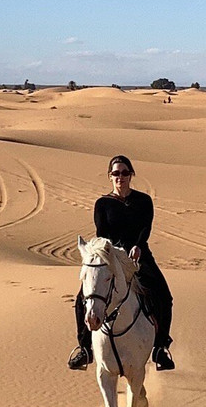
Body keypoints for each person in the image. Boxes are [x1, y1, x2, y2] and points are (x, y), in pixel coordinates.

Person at [69, 154, 175, 371]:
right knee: (83, 298)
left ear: (131, 175)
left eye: (125, 173)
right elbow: (102, 233)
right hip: (112, 256)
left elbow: (146, 228)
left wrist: (137, 246)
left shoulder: (143, 201)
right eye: (116, 173)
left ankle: (160, 348)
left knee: (163, 295)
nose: (121, 177)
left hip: (139, 255)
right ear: (110, 176)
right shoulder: (103, 204)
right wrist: (117, 253)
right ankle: (85, 348)